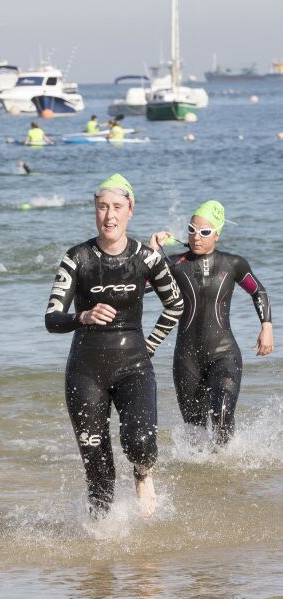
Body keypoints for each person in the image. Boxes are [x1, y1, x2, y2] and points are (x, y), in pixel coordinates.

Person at [45, 174, 184, 518]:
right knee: (97, 468)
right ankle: (101, 545)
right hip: (85, 370)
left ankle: (143, 474)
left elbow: (176, 304)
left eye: (117, 207)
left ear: (130, 210)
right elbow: (51, 318)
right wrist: (83, 316)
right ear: (95, 209)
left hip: (134, 366)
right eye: (102, 207)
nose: (109, 215)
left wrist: (149, 346)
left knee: (140, 443)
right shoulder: (77, 258)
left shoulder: (147, 258)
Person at [149, 200, 273, 444]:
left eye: (204, 232)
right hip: (186, 359)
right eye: (191, 229)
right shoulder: (174, 264)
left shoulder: (233, 264)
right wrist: (152, 253)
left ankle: (227, 471)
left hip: (224, 353)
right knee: (194, 434)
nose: (196, 237)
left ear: (217, 234)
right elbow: (138, 287)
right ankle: (204, 479)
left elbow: (258, 291)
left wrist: (266, 326)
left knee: (223, 416)